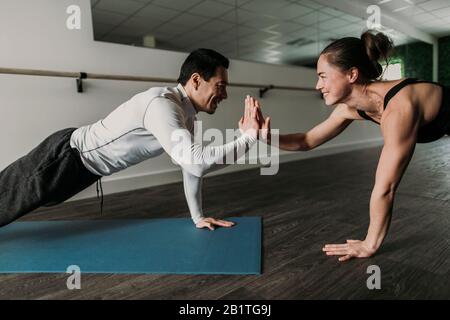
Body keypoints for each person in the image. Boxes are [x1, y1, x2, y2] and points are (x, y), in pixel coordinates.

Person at [0, 48, 269, 231]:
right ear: (196, 80)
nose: (224, 95)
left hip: (82, 170)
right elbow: (197, 164)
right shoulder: (161, 105)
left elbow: (191, 167)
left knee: (14, 205)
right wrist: (247, 138)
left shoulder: (187, 117)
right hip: (64, 156)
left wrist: (198, 217)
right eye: (220, 86)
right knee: (5, 200)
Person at [257, 30, 450, 261]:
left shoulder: (399, 109)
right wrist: (265, 137)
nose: (318, 85)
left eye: (323, 76)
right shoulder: (350, 109)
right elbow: (307, 140)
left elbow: (386, 188)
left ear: (352, 74)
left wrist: (369, 244)